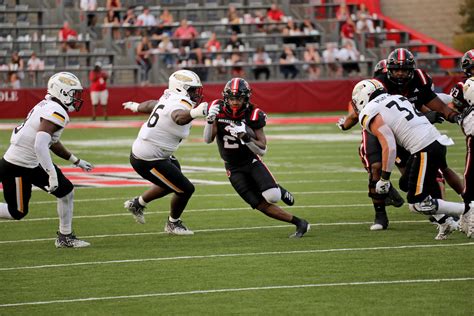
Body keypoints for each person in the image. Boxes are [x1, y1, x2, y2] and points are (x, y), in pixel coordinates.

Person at [338, 49, 463, 236]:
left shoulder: (373, 106)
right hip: (428, 138)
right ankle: (443, 219)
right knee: (402, 180)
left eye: (404, 70)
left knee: (417, 200)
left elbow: (390, 142)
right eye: (396, 70)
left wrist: (385, 179)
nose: (400, 74)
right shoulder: (392, 95)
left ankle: (465, 209)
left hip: (418, 143)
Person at [202, 78, 309, 238]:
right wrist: (209, 121)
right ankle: (300, 223)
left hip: (251, 161)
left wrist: (245, 137)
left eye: (239, 98)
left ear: (246, 98)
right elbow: (207, 139)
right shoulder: (217, 109)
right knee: (258, 203)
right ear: (226, 98)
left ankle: (277, 189)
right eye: (231, 98)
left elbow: (262, 149)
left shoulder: (253, 114)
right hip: (232, 167)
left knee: (272, 196)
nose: (235, 102)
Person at [0, 72, 93, 248]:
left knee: (66, 191)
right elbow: (40, 144)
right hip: (18, 165)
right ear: (63, 92)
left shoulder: (48, 105)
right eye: (73, 93)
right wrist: (51, 174)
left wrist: (75, 160)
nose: (76, 98)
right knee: (17, 212)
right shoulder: (56, 110)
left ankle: (65, 237)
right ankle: (65, 238)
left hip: (30, 162)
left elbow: (51, 142)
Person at [122, 70, 208, 235]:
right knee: (185, 189)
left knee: (173, 183)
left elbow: (152, 104)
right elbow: (178, 117)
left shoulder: (170, 97)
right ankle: (172, 224)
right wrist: (195, 113)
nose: (195, 94)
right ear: (181, 88)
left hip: (156, 152)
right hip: (148, 158)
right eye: (191, 90)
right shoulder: (180, 104)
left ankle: (137, 204)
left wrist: (135, 106)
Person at [450, 49, 474, 238]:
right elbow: (452, 107)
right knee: (470, 175)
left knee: (470, 176)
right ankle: (468, 213)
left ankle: (468, 214)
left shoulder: (462, 86)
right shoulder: (462, 87)